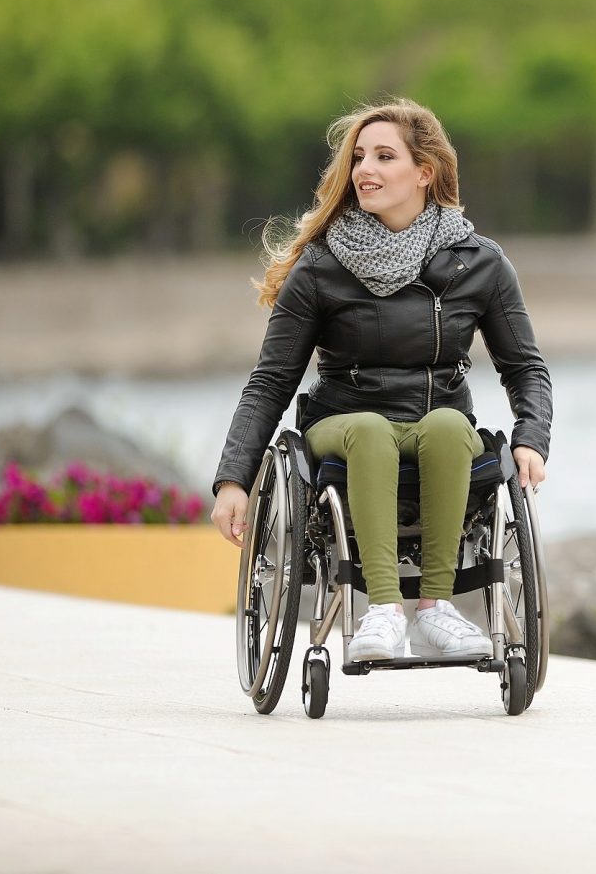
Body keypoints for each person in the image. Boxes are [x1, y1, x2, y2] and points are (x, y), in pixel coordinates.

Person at [210, 98, 552, 662]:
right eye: (360, 157)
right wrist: (233, 480)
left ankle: (437, 611)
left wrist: (531, 436)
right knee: (370, 429)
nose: (365, 168)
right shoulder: (319, 267)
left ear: (425, 172)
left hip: (436, 426)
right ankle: (383, 610)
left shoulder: (480, 263)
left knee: (447, 425)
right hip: (341, 426)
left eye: (384, 156)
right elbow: (270, 381)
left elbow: (525, 368)